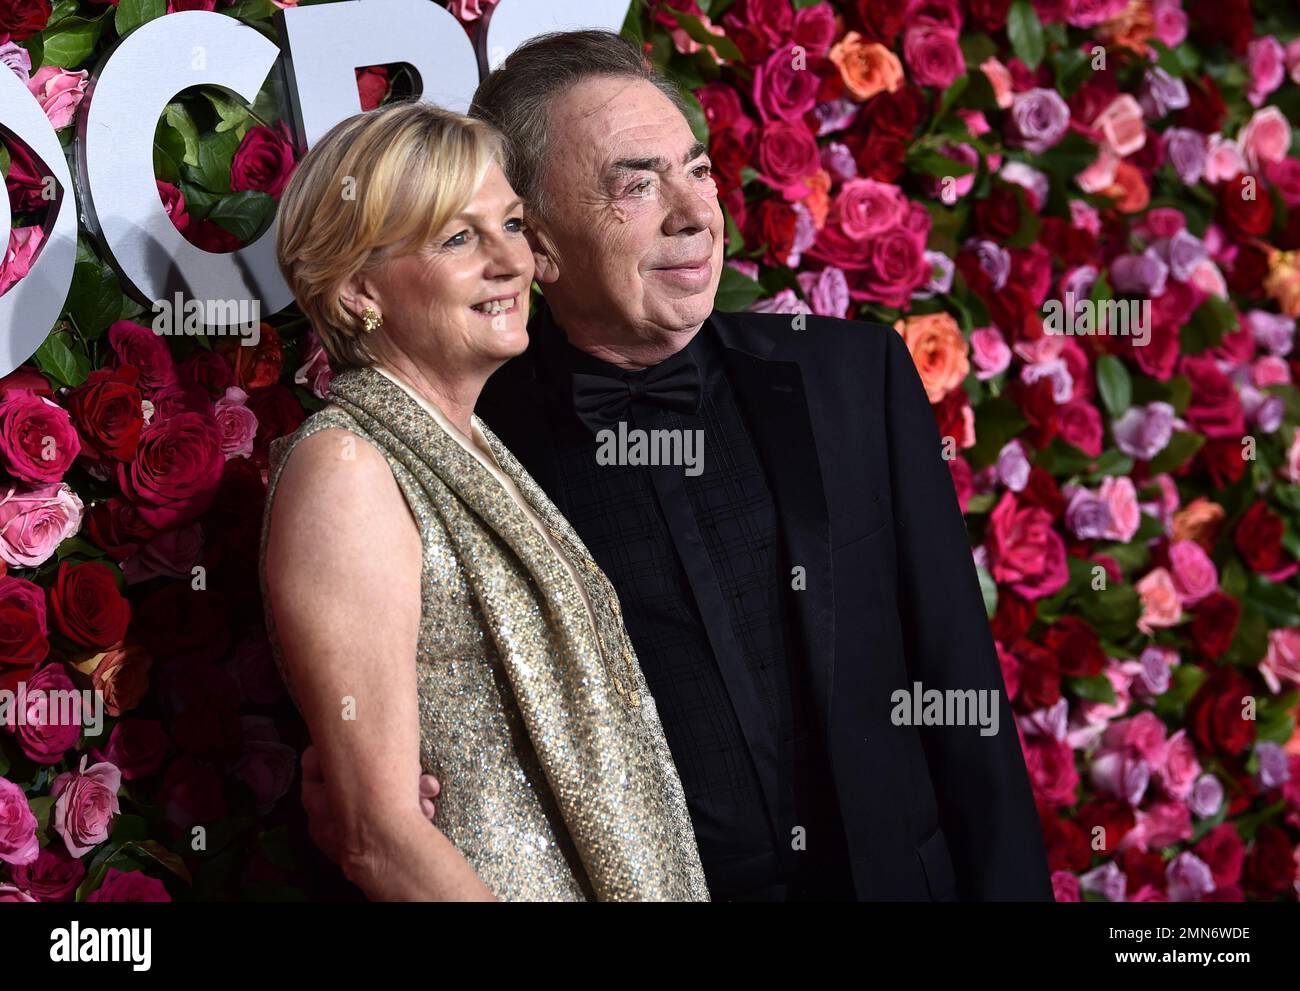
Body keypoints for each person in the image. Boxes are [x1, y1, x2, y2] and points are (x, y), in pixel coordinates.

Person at [304, 29, 1054, 902]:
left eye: (696, 170)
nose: (696, 211)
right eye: (636, 183)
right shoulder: (471, 448)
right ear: (537, 244)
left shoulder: (854, 375)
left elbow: (962, 692)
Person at [259, 100, 709, 901]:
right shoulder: (346, 468)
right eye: (459, 237)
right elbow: (378, 837)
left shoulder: (479, 448)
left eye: (510, 224)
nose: (511, 261)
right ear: (359, 286)